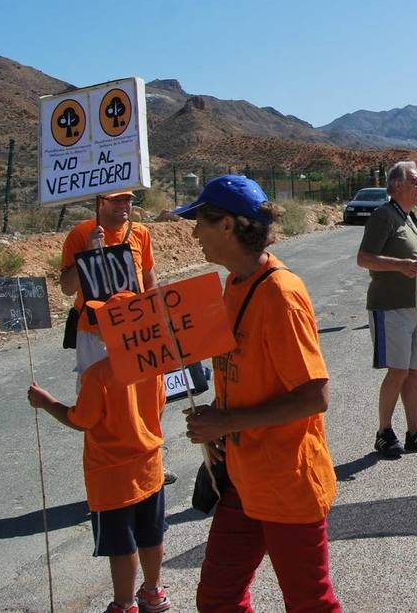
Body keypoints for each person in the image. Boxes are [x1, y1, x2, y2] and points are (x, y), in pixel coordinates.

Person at [174, 174, 342, 612]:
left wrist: (226, 422)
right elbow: (250, 376)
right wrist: (217, 414)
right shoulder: (233, 286)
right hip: (243, 481)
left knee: (310, 603)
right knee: (218, 598)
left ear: (227, 225)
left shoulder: (281, 295)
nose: (194, 233)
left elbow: (314, 397)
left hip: (287, 484)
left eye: (200, 222)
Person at [27, 337, 170, 613]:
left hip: (110, 478)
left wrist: (46, 402)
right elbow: (160, 407)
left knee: (121, 544)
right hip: (150, 469)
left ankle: (125, 604)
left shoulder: (98, 374)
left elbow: (81, 420)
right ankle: (153, 592)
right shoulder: (152, 366)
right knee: (152, 535)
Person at [356, 161, 417, 457]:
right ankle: (384, 432)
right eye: (415, 181)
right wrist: (398, 266)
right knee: (397, 371)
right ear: (397, 184)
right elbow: (364, 258)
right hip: (391, 307)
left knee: (413, 372)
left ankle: (415, 432)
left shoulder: (411, 217)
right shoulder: (382, 216)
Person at [60, 190, 156, 382]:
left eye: (127, 199)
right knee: (95, 392)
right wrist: (89, 251)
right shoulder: (80, 234)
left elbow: (149, 280)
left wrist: (152, 321)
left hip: (134, 328)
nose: (123, 204)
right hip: (93, 331)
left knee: (138, 388)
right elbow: (67, 288)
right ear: (100, 202)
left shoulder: (141, 232)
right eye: (116, 199)